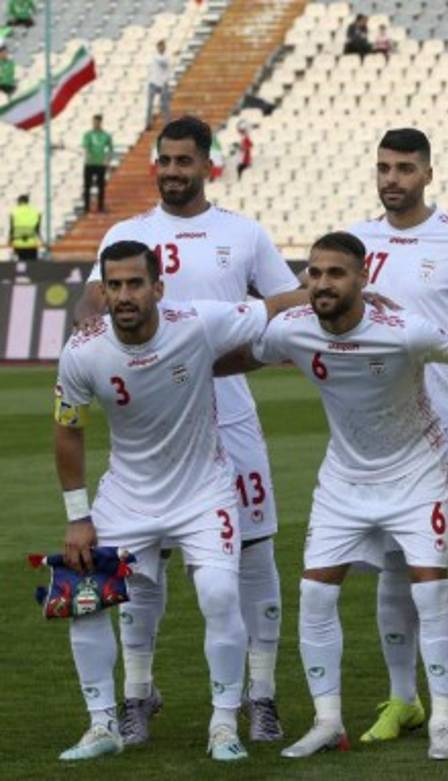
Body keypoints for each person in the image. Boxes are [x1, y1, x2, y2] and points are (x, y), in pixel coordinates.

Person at [73, 116, 303, 747]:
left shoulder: (243, 233)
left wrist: (210, 364)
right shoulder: (127, 234)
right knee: (139, 569)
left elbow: (285, 310)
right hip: (153, 421)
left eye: (184, 161)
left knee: (251, 556)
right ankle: (137, 695)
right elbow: (92, 306)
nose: (172, 172)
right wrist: (93, 328)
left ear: (207, 164)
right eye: (164, 161)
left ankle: (260, 696)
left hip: (230, 416)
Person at [218, 232, 448, 761]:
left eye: (336, 273)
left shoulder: (405, 330)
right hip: (344, 479)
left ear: (362, 278)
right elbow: (244, 356)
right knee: (314, 594)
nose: (322, 283)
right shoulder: (292, 327)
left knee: (429, 592)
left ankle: (444, 720)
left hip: (417, 472)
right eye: (314, 273)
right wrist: (173, 365)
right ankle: (328, 722)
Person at [347, 131, 448, 746]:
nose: (392, 179)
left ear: (428, 174)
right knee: (394, 566)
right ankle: (403, 698)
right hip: (385, 433)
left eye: (404, 168)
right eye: (384, 167)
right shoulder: (356, 241)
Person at [82, 115, 113, 214]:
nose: (95, 124)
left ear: (100, 122)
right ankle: (86, 208)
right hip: (89, 164)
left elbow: (109, 149)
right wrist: (87, 155)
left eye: (97, 122)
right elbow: (86, 147)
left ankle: (100, 207)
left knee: (101, 186)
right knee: (87, 186)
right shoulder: (88, 135)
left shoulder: (106, 136)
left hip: (100, 164)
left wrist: (107, 160)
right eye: (94, 122)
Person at [146, 40, 172, 131]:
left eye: (162, 46)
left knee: (165, 105)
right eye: (159, 47)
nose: (161, 48)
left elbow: (163, 63)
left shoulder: (166, 57)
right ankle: (148, 123)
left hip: (163, 83)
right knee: (150, 105)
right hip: (153, 82)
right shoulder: (155, 57)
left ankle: (168, 124)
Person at [8, 193, 39, 260]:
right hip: (31, 242)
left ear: (19, 201)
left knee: (20, 263)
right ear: (27, 202)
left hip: (18, 242)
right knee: (32, 263)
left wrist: (10, 240)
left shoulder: (13, 212)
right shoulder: (35, 212)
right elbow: (37, 230)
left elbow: (12, 229)